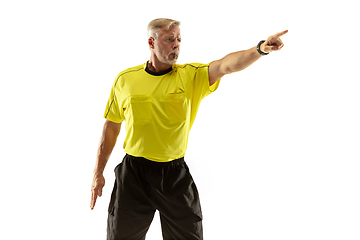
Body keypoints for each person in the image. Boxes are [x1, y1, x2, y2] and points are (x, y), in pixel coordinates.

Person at [90, 18, 288, 240]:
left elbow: (226, 65)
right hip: (133, 175)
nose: (176, 45)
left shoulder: (191, 76)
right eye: (169, 39)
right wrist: (98, 173)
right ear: (151, 42)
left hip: (174, 175)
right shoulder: (126, 80)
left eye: (179, 40)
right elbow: (111, 127)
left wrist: (260, 49)